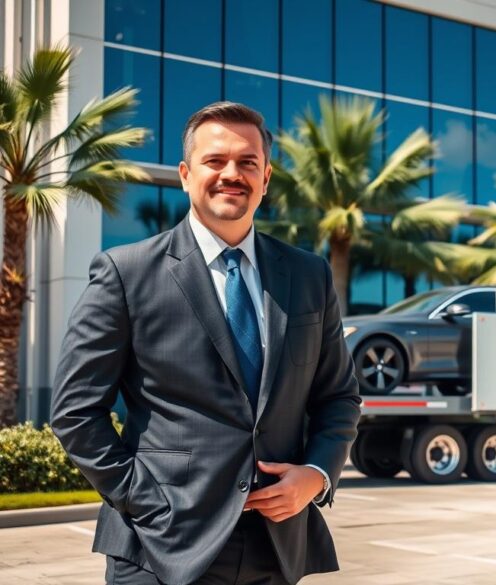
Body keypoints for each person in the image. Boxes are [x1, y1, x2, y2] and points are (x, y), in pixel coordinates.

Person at [51, 101, 362, 585]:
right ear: (185, 173)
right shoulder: (124, 273)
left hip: (276, 546)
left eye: (247, 163)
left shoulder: (309, 275)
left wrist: (317, 476)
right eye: (215, 161)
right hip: (158, 548)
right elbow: (75, 411)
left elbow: (338, 396)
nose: (231, 174)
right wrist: (146, 501)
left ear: (266, 178)